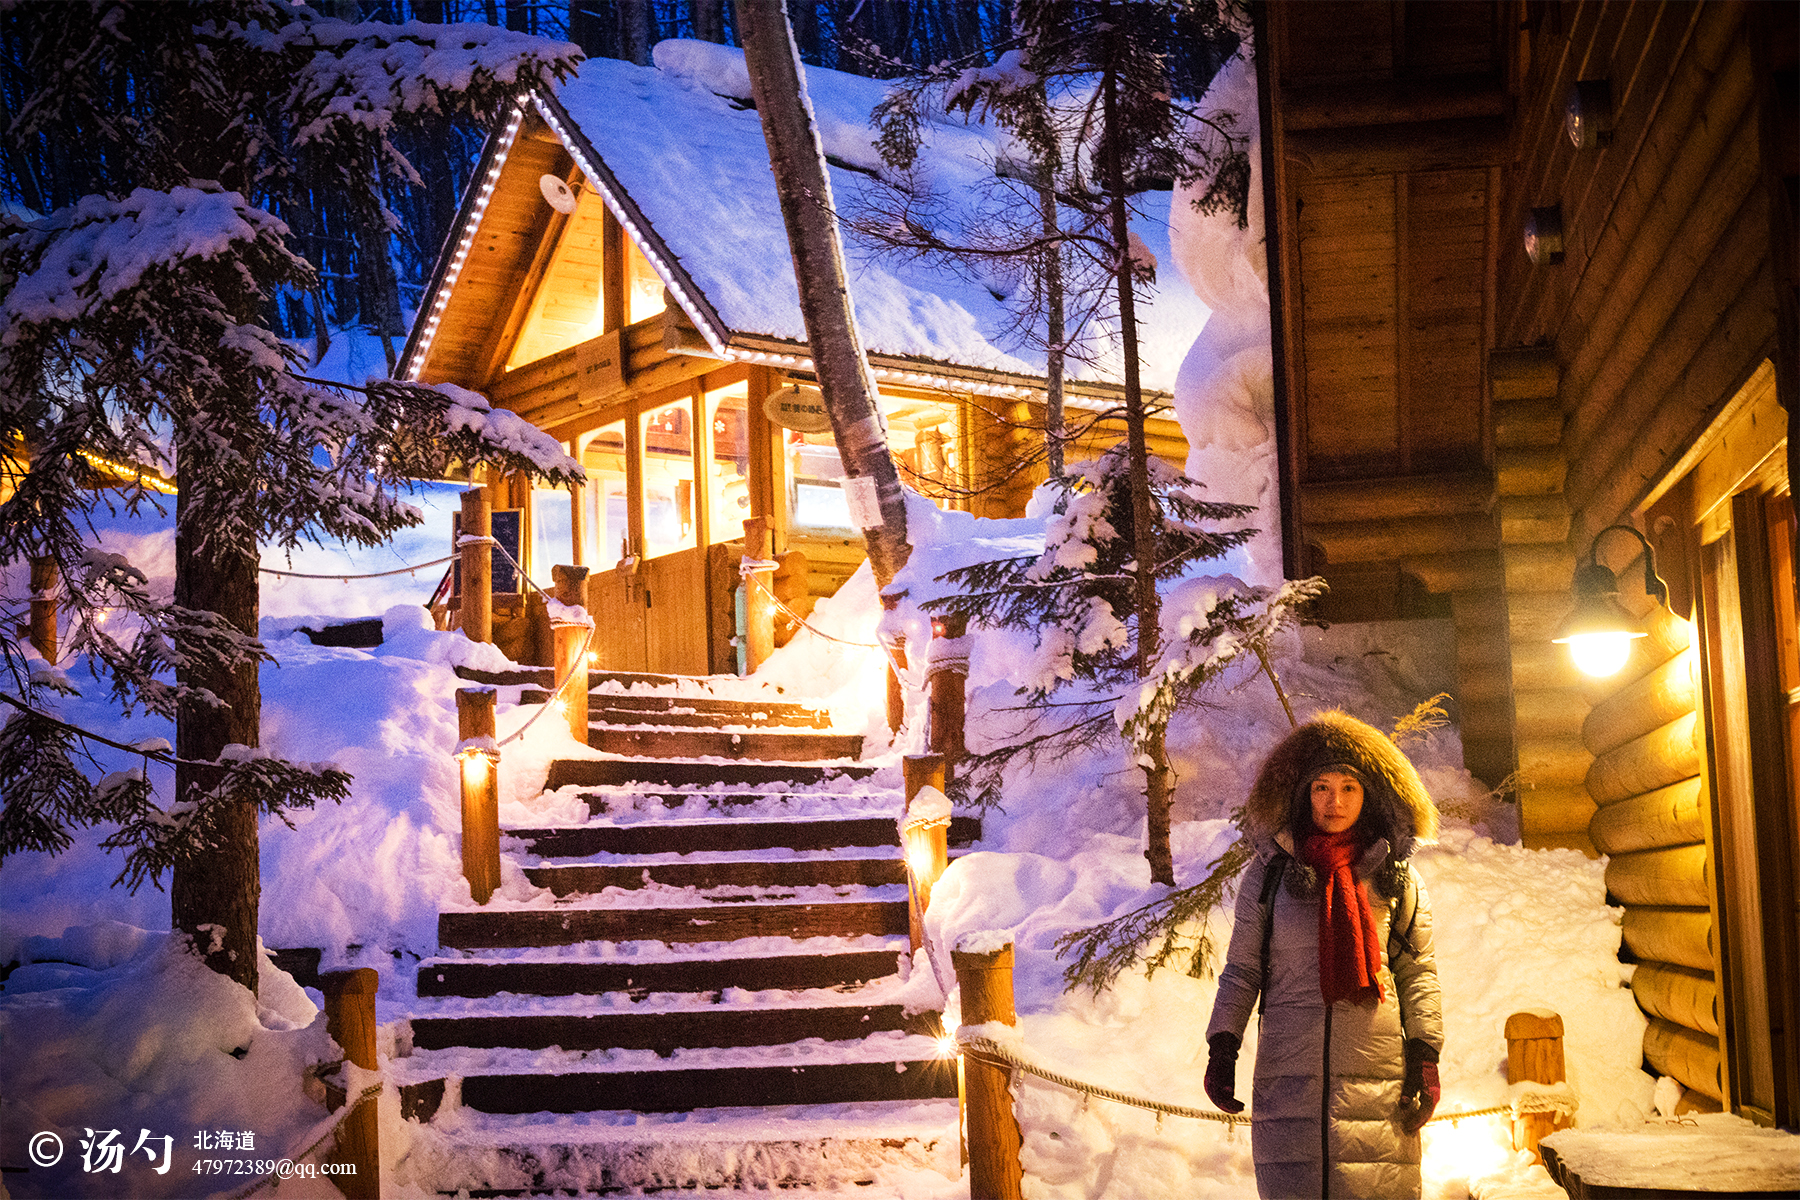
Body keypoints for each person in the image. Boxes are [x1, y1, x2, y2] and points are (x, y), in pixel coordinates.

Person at [1203, 711, 1445, 1199]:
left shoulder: (1396, 879)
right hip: (1288, 1076)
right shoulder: (1270, 874)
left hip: (1378, 1079)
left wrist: (1425, 1053)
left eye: (1349, 787)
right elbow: (1243, 970)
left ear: (1369, 794)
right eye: (1321, 787)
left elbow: (1418, 972)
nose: (1335, 801)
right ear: (1302, 793)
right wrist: (1223, 1045)